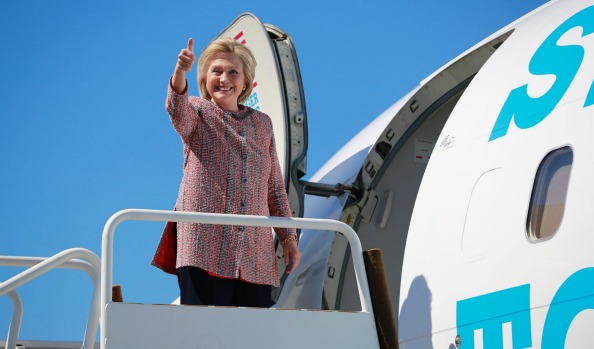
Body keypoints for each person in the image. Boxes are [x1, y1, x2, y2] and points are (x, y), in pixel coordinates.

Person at [152, 37, 300, 308]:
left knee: (250, 337)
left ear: (246, 82)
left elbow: (274, 189)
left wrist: (287, 238)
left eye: (234, 72)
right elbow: (176, 109)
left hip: (254, 256)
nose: (224, 78)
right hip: (203, 248)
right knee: (204, 336)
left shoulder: (263, 124)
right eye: (216, 71)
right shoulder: (197, 110)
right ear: (205, 77)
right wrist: (180, 71)